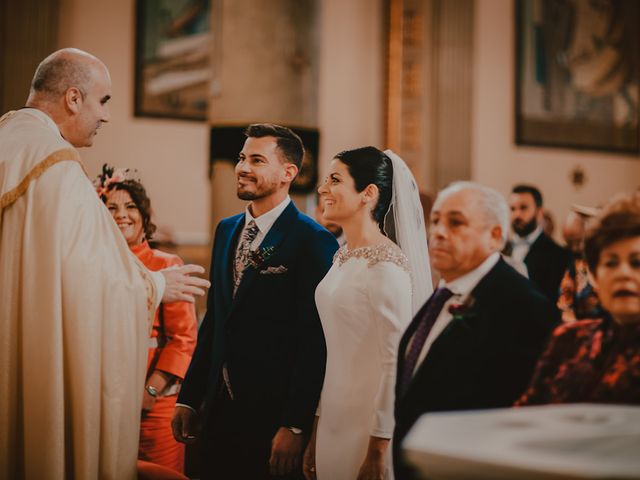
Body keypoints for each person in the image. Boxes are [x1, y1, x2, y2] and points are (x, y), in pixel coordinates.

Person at [0, 48, 209, 480]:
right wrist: (153, 285)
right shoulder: (54, 167)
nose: (107, 116)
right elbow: (84, 281)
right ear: (73, 98)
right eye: (104, 101)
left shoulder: (9, 142)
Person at [172, 124, 338, 479]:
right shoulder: (226, 229)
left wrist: (294, 425)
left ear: (288, 173)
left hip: (272, 414)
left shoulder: (313, 241)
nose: (243, 167)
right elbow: (216, 320)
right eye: (242, 158)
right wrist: (190, 395)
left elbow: (315, 341)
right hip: (217, 410)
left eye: (257, 160)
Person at [393, 182, 559, 479]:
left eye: (455, 222)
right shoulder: (443, 293)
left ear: (495, 236)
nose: (439, 232)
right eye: (436, 221)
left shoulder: (524, 306)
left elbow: (518, 413)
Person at [304, 148, 432, 480]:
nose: (322, 190)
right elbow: (335, 352)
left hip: (368, 426)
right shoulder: (343, 255)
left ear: (368, 194)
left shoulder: (387, 266)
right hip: (333, 415)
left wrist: (379, 446)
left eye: (335, 180)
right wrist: (318, 424)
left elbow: (396, 361)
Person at [97, 166, 197, 474]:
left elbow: (183, 339)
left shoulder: (166, 264)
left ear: (144, 215)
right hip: (105, 399)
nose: (121, 215)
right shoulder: (94, 264)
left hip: (153, 400)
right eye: (111, 207)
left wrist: (149, 392)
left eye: (130, 207)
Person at [517, 192, 640, 405]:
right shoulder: (569, 339)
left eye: (637, 263)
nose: (623, 274)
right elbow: (528, 410)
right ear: (593, 275)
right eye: (610, 263)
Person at [508, 184, 569, 303]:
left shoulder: (558, 255)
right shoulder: (500, 249)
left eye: (523, 208)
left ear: (540, 212)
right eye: (512, 209)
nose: (517, 215)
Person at [557, 207, 603, 323]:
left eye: (578, 241)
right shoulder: (577, 262)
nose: (574, 248)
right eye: (569, 243)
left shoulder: (607, 261)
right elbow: (565, 294)